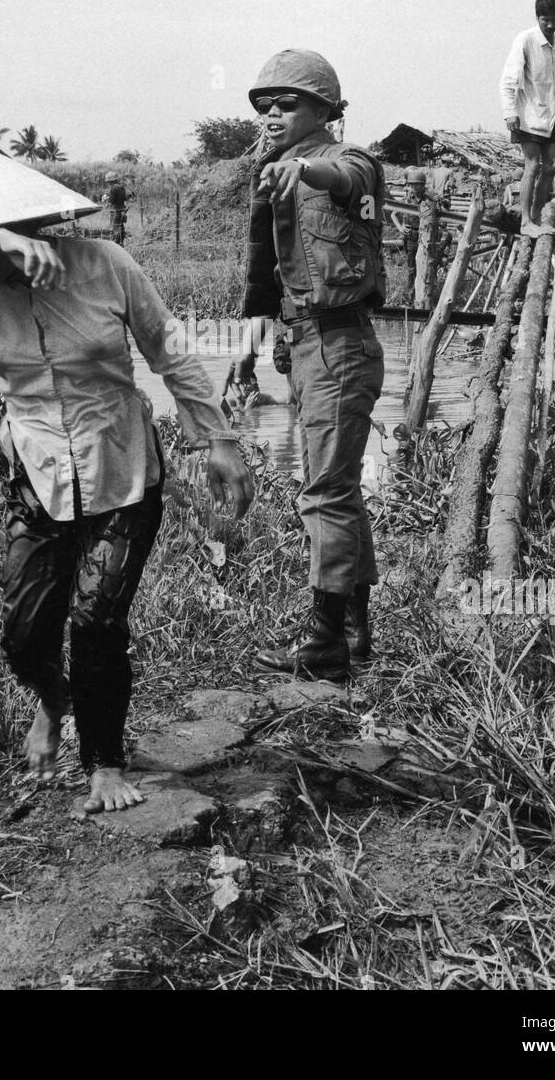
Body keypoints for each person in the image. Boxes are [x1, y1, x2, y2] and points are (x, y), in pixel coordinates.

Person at [0, 152, 253, 813]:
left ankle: (104, 764)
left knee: (96, 621)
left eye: (4, 229)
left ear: (38, 223)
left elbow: (169, 351)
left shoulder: (106, 266)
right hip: (35, 473)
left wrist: (218, 440)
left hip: (121, 466)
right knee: (25, 635)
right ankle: (52, 703)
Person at [232, 49, 385, 680]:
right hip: (302, 350)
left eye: (287, 102)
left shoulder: (348, 161)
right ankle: (354, 632)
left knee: (324, 492)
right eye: (263, 103)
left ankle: (325, 646)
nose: (271, 113)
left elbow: (349, 180)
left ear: (326, 111)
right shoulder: (269, 178)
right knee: (337, 489)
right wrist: (244, 352)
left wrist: (306, 173)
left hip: (340, 345)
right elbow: (261, 279)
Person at [499, 0, 555, 238]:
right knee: (532, 165)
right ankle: (525, 221)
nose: (551, 24)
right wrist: (510, 112)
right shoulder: (525, 40)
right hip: (529, 114)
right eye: (545, 20)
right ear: (537, 17)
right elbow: (507, 80)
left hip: (552, 114)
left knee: (552, 166)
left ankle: (534, 215)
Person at [392, 167, 428, 298]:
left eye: (417, 184)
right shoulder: (408, 199)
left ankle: (423, 294)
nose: (414, 187)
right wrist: (400, 228)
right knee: (412, 268)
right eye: (412, 184)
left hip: (425, 236)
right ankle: (410, 296)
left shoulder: (428, 199)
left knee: (425, 266)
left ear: (423, 185)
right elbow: (393, 214)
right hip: (411, 237)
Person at [102, 170, 128, 246]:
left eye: (108, 182)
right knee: (121, 227)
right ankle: (121, 242)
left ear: (110, 181)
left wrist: (106, 199)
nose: (108, 183)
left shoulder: (113, 188)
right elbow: (124, 198)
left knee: (115, 228)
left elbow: (112, 201)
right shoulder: (121, 187)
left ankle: (116, 245)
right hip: (122, 210)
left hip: (116, 211)